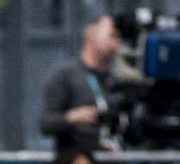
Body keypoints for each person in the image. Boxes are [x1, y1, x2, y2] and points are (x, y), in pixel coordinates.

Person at [38, 14, 122, 153]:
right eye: (112, 35)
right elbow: (45, 123)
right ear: (91, 36)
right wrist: (71, 117)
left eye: (119, 37)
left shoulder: (116, 82)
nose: (117, 43)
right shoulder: (66, 76)